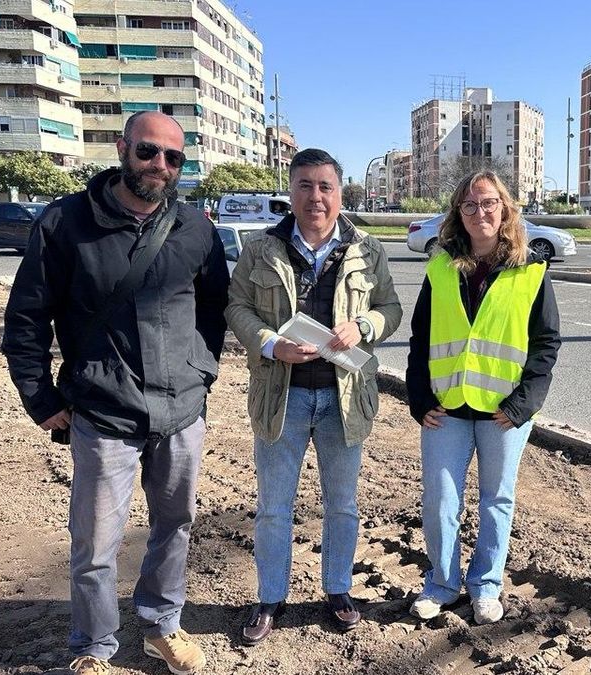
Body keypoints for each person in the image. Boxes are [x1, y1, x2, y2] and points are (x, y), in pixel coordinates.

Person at [2, 111, 228, 675]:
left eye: (174, 158)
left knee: (174, 526)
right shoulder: (65, 223)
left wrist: (201, 370)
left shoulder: (196, 228)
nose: (160, 166)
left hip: (180, 411)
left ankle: (161, 626)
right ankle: (93, 648)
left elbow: (215, 310)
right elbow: (27, 319)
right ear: (123, 148)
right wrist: (41, 398)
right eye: (150, 152)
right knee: (96, 545)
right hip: (103, 413)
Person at [225, 148, 402, 644]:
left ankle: (338, 590)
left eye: (325, 187)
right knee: (274, 507)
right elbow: (237, 307)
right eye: (305, 185)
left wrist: (365, 325)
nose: (316, 197)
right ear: (292, 191)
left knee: (342, 505)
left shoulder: (368, 249)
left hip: (343, 402)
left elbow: (391, 307)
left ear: (340, 193)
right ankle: (270, 597)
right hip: (282, 400)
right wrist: (269, 343)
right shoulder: (262, 248)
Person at [405, 171, 561, 625]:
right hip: (447, 409)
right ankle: (442, 584)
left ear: (505, 208)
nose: (480, 213)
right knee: (439, 499)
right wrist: (419, 398)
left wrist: (521, 405)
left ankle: (486, 585)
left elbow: (546, 343)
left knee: (497, 500)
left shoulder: (531, 269)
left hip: (503, 414)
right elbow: (420, 338)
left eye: (489, 203)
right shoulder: (439, 267)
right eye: (469, 206)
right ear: (458, 214)